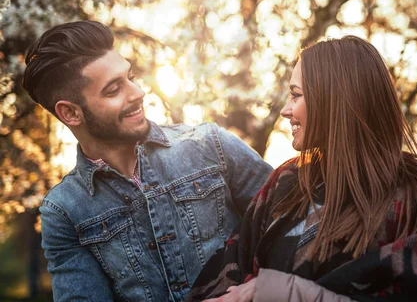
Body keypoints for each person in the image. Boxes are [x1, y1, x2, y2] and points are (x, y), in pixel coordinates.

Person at [186, 35, 417, 302]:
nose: (285, 109)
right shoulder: (288, 182)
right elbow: (230, 269)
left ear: (332, 100)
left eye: (296, 95)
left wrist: (274, 291)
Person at [22, 21, 272, 302]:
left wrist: (263, 288)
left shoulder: (210, 145)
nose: (137, 92)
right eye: (114, 89)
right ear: (70, 113)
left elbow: (300, 228)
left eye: (131, 77)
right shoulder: (64, 211)